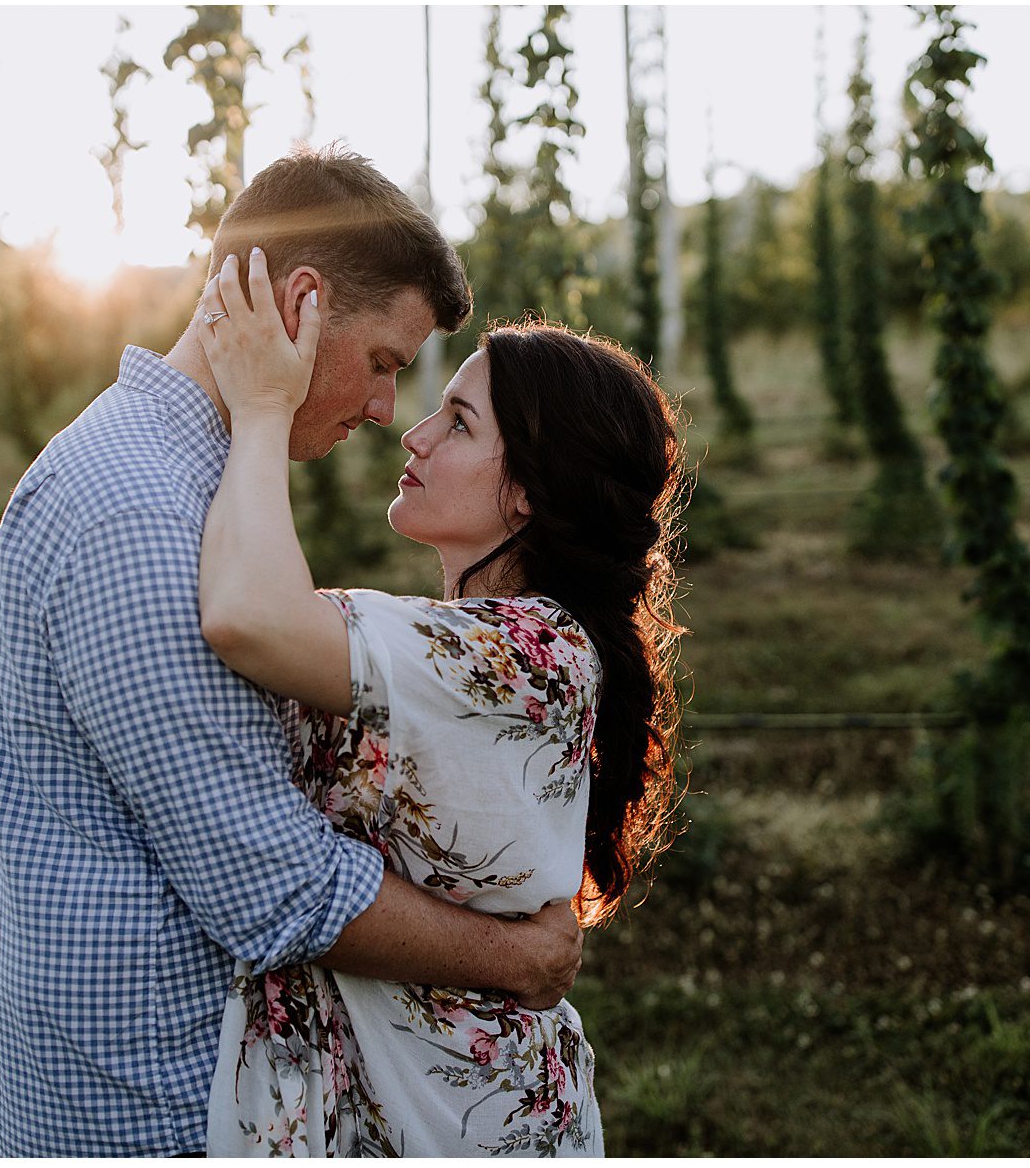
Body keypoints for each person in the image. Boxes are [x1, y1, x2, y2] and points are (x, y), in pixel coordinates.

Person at [0, 146, 584, 1158]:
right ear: (298, 304)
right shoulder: (140, 517)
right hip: (150, 1110)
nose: (389, 410)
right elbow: (274, 887)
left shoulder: (182, 484)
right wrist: (515, 957)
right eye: (385, 362)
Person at [191, 249, 687, 1155]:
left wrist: (263, 407)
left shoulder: (532, 652)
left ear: (532, 489)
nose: (412, 435)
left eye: (457, 422)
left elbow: (247, 613)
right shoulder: (466, 640)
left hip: (468, 1129)